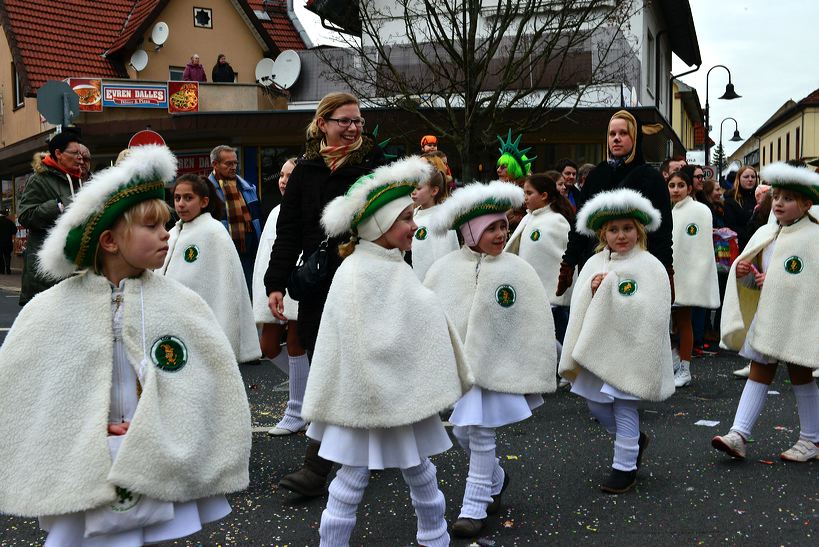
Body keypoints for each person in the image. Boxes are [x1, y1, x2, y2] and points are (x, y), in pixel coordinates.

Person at [0, 144, 251, 544]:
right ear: (110, 242)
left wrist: (154, 425)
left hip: (158, 452)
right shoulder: (51, 310)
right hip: (85, 459)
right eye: (151, 227)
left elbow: (207, 384)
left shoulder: (181, 305)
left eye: (165, 225)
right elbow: (29, 392)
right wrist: (88, 427)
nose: (166, 234)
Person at [303, 156, 472, 547]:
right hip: (369, 401)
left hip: (396, 395)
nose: (414, 226)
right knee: (357, 478)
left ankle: (435, 538)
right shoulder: (360, 272)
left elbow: (406, 323)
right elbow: (365, 340)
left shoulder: (389, 263)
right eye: (405, 219)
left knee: (415, 474)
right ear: (380, 225)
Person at [265, 92, 387, 497]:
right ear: (322, 123)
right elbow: (288, 232)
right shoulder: (306, 170)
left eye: (358, 121)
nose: (352, 128)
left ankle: (318, 466)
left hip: (365, 278)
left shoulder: (375, 168)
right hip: (320, 284)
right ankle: (363, 447)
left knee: (355, 365)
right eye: (344, 121)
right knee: (325, 364)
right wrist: (275, 283)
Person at [424, 181, 557, 538]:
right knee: (465, 432)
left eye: (503, 226)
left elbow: (532, 321)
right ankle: (496, 477)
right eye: (490, 228)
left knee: (481, 434)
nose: (500, 234)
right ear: (469, 232)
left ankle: (474, 507)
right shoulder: (444, 270)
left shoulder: (516, 270)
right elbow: (434, 318)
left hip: (497, 368)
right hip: (463, 370)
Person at [559, 188, 674, 494]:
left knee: (624, 405)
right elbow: (581, 308)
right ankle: (634, 439)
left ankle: (624, 468)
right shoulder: (595, 263)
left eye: (627, 229)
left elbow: (654, 310)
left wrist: (611, 292)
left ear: (638, 232)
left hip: (631, 348)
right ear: (602, 233)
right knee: (596, 405)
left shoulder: (650, 266)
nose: (621, 235)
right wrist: (594, 290)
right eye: (613, 230)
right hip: (600, 347)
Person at [711, 162, 819, 462]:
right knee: (759, 369)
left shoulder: (814, 236)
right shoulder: (766, 232)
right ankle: (738, 434)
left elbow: (809, 281)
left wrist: (773, 281)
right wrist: (745, 270)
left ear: (807, 204)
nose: (779, 202)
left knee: (801, 373)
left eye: (788, 198)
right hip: (769, 315)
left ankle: (812, 439)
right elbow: (757, 275)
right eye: (777, 196)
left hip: (798, 316)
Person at [557, 110, 673, 302]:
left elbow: (663, 231)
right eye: (612, 134)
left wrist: (665, 271)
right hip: (598, 268)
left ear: (636, 137)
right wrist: (568, 263)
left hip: (637, 269)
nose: (616, 139)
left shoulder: (650, 177)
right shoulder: (597, 175)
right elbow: (579, 227)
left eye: (623, 133)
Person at [159, 174, 261, 365]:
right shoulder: (172, 233)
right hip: (173, 326)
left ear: (204, 201)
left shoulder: (214, 232)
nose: (181, 204)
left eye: (188, 198)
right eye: (177, 198)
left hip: (203, 329)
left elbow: (228, 290)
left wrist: (226, 344)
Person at [251, 158, 311, 436]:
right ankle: (311, 390)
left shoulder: (306, 207)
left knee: (297, 342)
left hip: (298, 284)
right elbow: (267, 254)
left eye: (291, 175)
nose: (284, 180)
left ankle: (297, 409)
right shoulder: (276, 210)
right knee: (269, 345)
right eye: (282, 174)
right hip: (276, 287)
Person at [17, 130, 85, 306]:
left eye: (81, 153)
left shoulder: (80, 180)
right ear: (58, 154)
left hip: (75, 267)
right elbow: (25, 216)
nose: (80, 158)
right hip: (47, 272)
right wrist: (58, 206)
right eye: (74, 153)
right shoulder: (39, 179)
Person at [505, 172, 575, 342]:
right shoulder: (530, 217)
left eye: (529, 193)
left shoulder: (557, 221)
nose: (525, 198)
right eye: (524, 193)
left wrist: (560, 295)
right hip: (531, 298)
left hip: (553, 303)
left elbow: (564, 262)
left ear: (544, 195)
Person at [667, 169, 720, 387]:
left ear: (689, 188)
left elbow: (698, 249)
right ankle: (673, 361)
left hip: (685, 277)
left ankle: (685, 369)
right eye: (672, 185)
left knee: (683, 321)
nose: (676, 190)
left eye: (681, 185)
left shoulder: (699, 211)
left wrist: (694, 278)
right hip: (668, 274)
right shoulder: (668, 210)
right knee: (667, 324)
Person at [208, 145, 262, 289]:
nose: (233, 167)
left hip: (250, 254)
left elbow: (257, 220)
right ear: (215, 164)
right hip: (221, 256)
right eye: (228, 163)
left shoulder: (248, 188)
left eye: (235, 163)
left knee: (250, 294)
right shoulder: (206, 191)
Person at [410, 160, 458, 281]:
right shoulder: (414, 214)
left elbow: (444, 259)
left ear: (434, 191)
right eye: (412, 187)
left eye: (419, 188)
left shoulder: (442, 219)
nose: (413, 192)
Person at [496, 130, 535, 233]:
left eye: (503, 167)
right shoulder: (502, 189)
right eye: (499, 166)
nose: (498, 170)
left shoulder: (528, 192)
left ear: (515, 169)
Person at [723, 165, 758, 250]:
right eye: (746, 177)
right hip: (740, 246)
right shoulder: (730, 200)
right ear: (738, 179)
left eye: (753, 177)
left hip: (758, 243)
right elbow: (731, 226)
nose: (750, 179)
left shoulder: (760, 198)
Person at [0, 210, 14, 274]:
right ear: (5, 214)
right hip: (8, 242)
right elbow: (15, 231)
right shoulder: (9, 222)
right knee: (7, 256)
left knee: (0, 257)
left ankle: (2, 270)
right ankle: (8, 269)